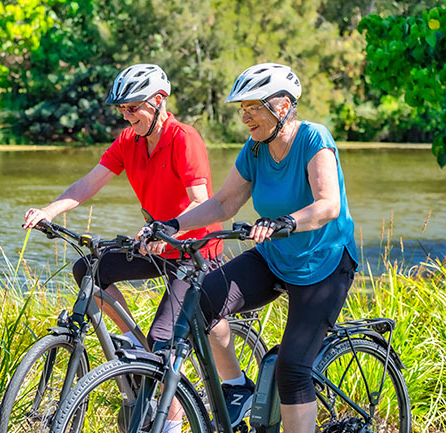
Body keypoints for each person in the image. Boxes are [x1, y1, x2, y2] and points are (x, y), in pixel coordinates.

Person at [150, 63, 358, 432]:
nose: (244, 116)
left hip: (323, 263)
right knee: (200, 303)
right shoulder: (255, 149)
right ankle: (235, 387)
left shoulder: (314, 138)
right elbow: (223, 204)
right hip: (275, 257)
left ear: (282, 106)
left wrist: (285, 223)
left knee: (292, 369)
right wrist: (173, 224)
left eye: (253, 106)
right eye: (241, 108)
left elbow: (329, 205)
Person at [23, 63, 223, 433]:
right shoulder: (128, 141)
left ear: (159, 101)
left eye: (133, 108)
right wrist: (48, 211)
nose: (127, 116)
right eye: (122, 109)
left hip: (193, 251)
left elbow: (201, 201)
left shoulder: (184, 138)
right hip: (155, 246)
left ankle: (171, 423)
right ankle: (135, 349)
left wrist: (162, 229)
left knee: (165, 345)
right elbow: (88, 183)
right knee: (89, 270)